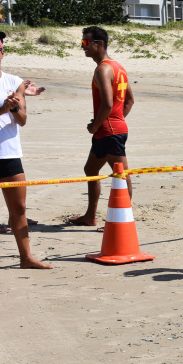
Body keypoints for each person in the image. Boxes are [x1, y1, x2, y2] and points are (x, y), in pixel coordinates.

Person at [0, 29, 52, 274]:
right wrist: (2, 109)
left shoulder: (14, 81)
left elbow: (22, 120)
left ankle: (26, 257)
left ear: (2, 53)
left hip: (9, 153)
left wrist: (13, 107)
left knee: (19, 208)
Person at [68, 26, 134, 228]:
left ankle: (123, 220)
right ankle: (90, 216)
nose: (83, 47)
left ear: (100, 44)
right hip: (111, 129)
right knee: (91, 169)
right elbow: (129, 101)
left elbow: (107, 104)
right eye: (82, 43)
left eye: (87, 43)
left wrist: (96, 125)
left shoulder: (103, 69)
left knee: (121, 174)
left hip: (108, 131)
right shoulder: (118, 67)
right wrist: (115, 119)